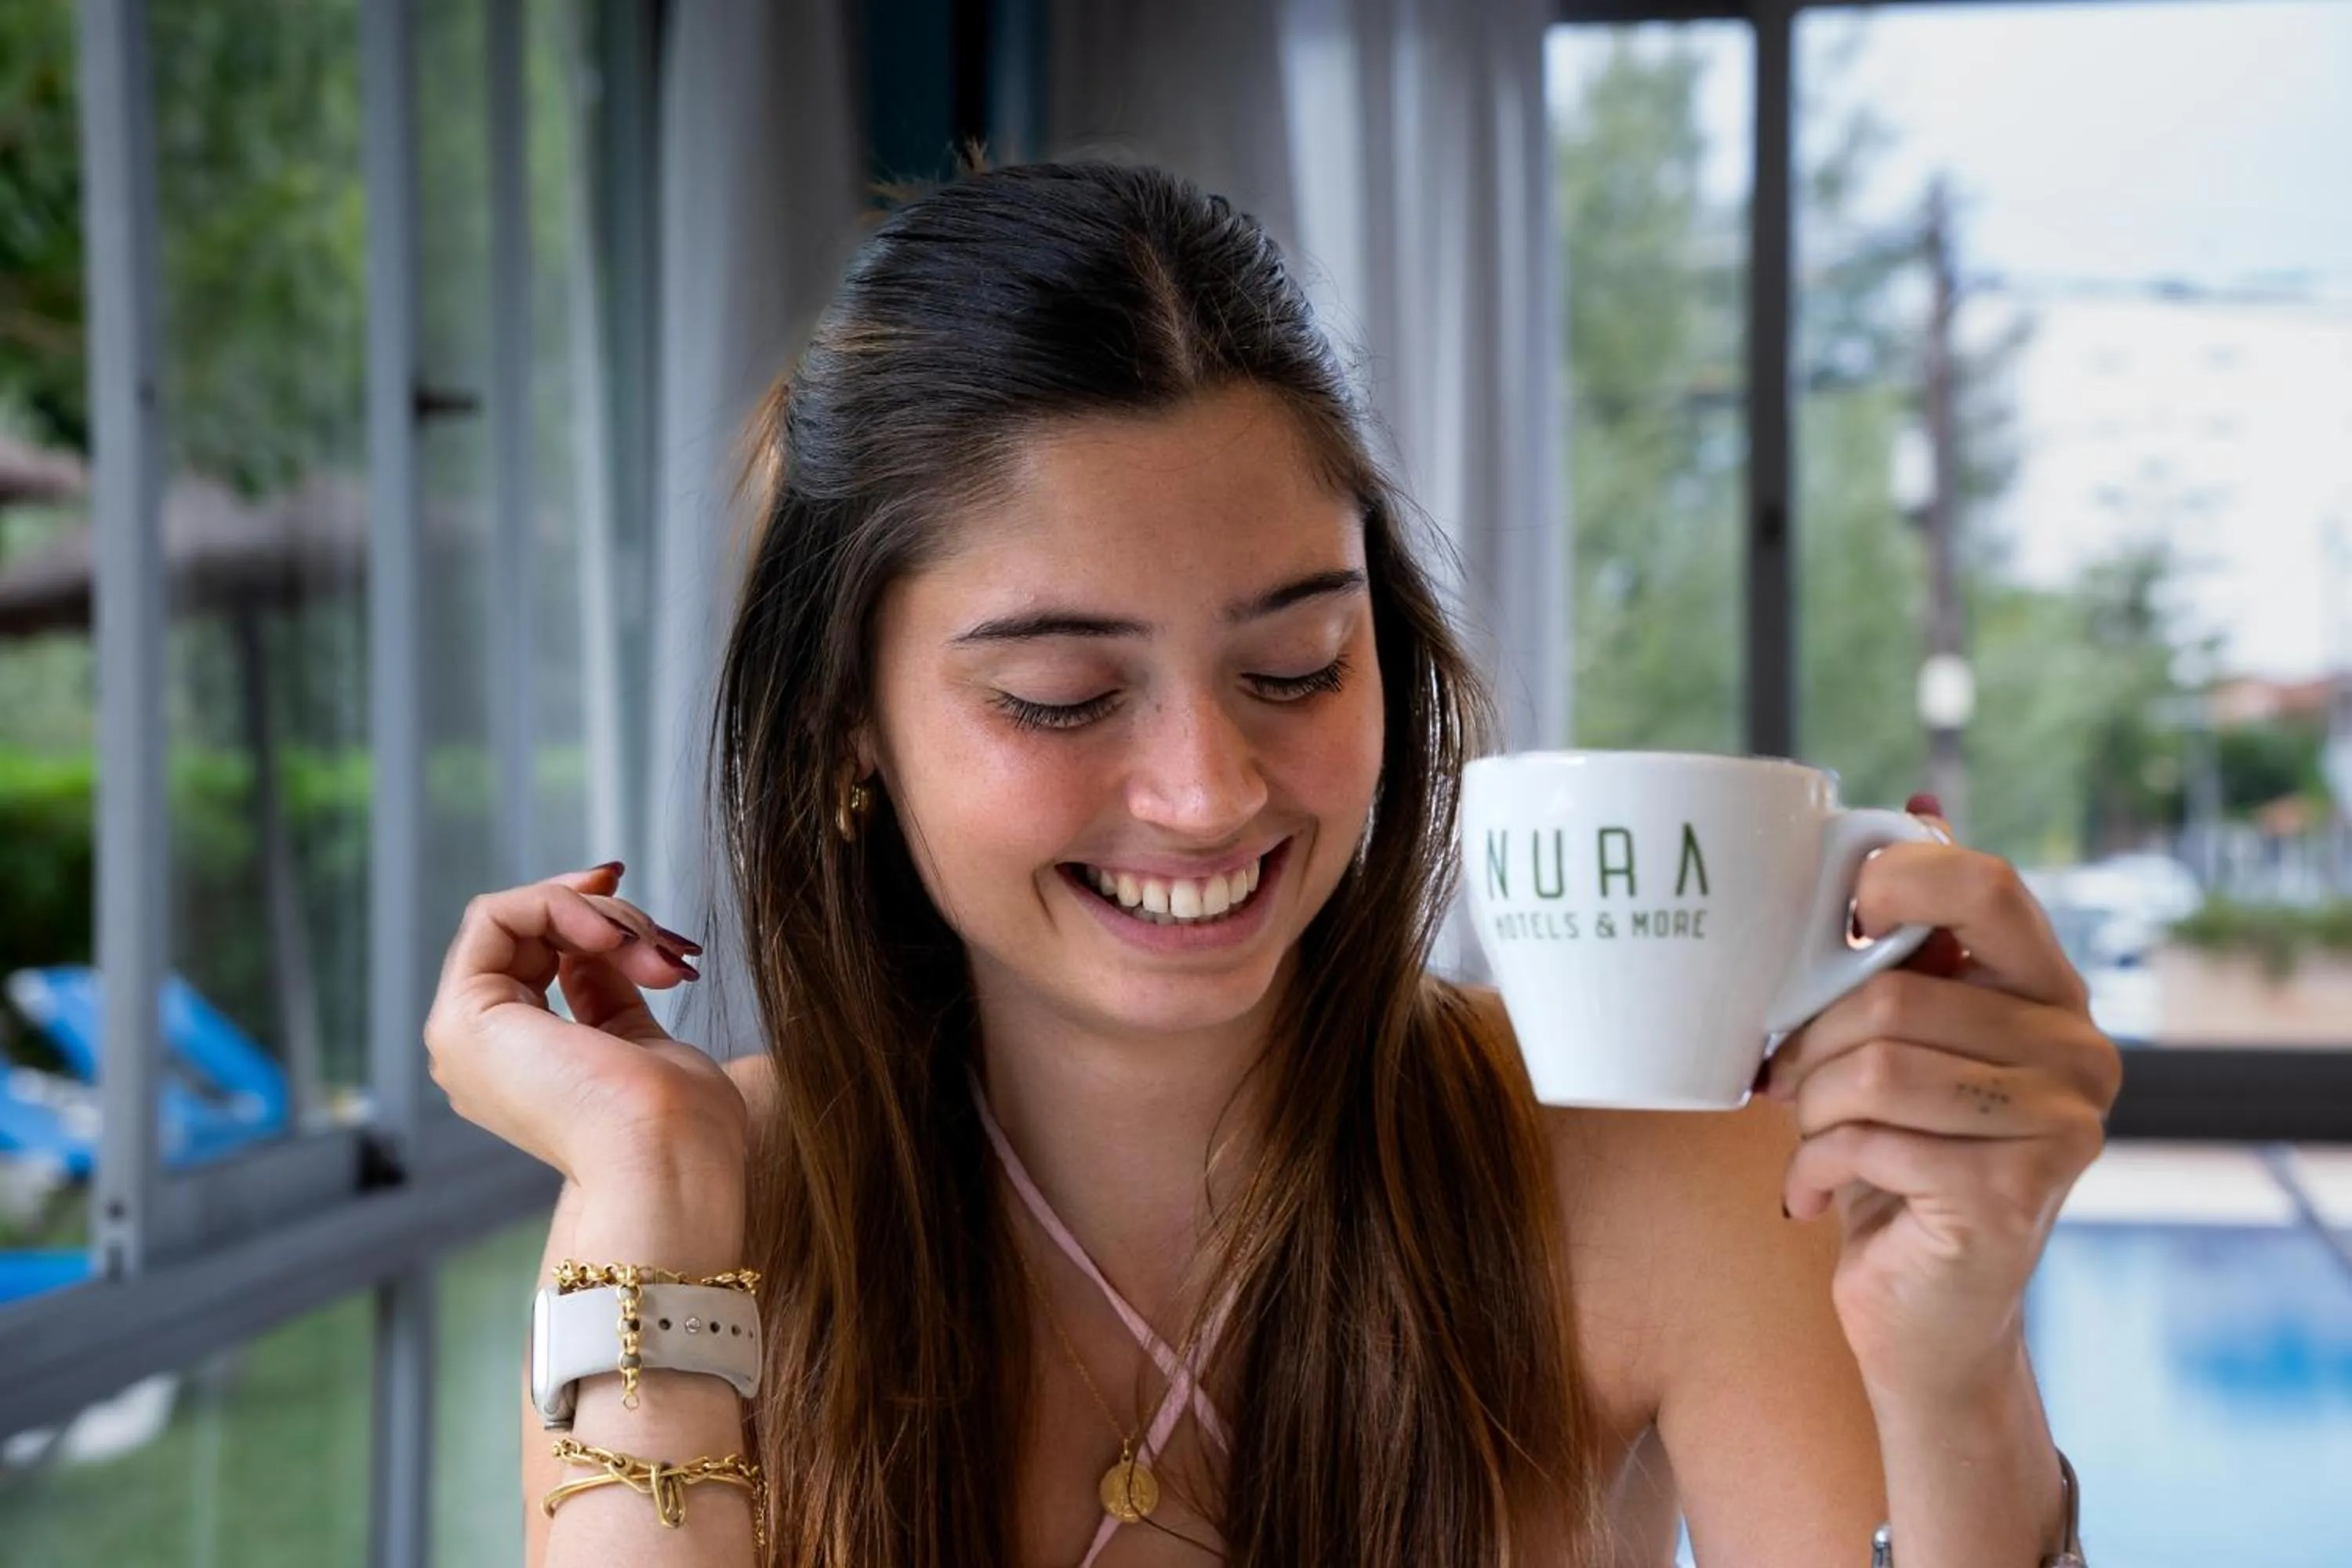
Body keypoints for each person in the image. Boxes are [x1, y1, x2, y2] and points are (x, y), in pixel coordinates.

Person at [424, 161, 2121, 1568]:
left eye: (1299, 666)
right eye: (1062, 694)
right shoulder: (698, 1231)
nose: (1204, 789)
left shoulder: (1654, 1170)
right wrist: (647, 1166)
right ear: (844, 722)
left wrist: (1960, 1373)